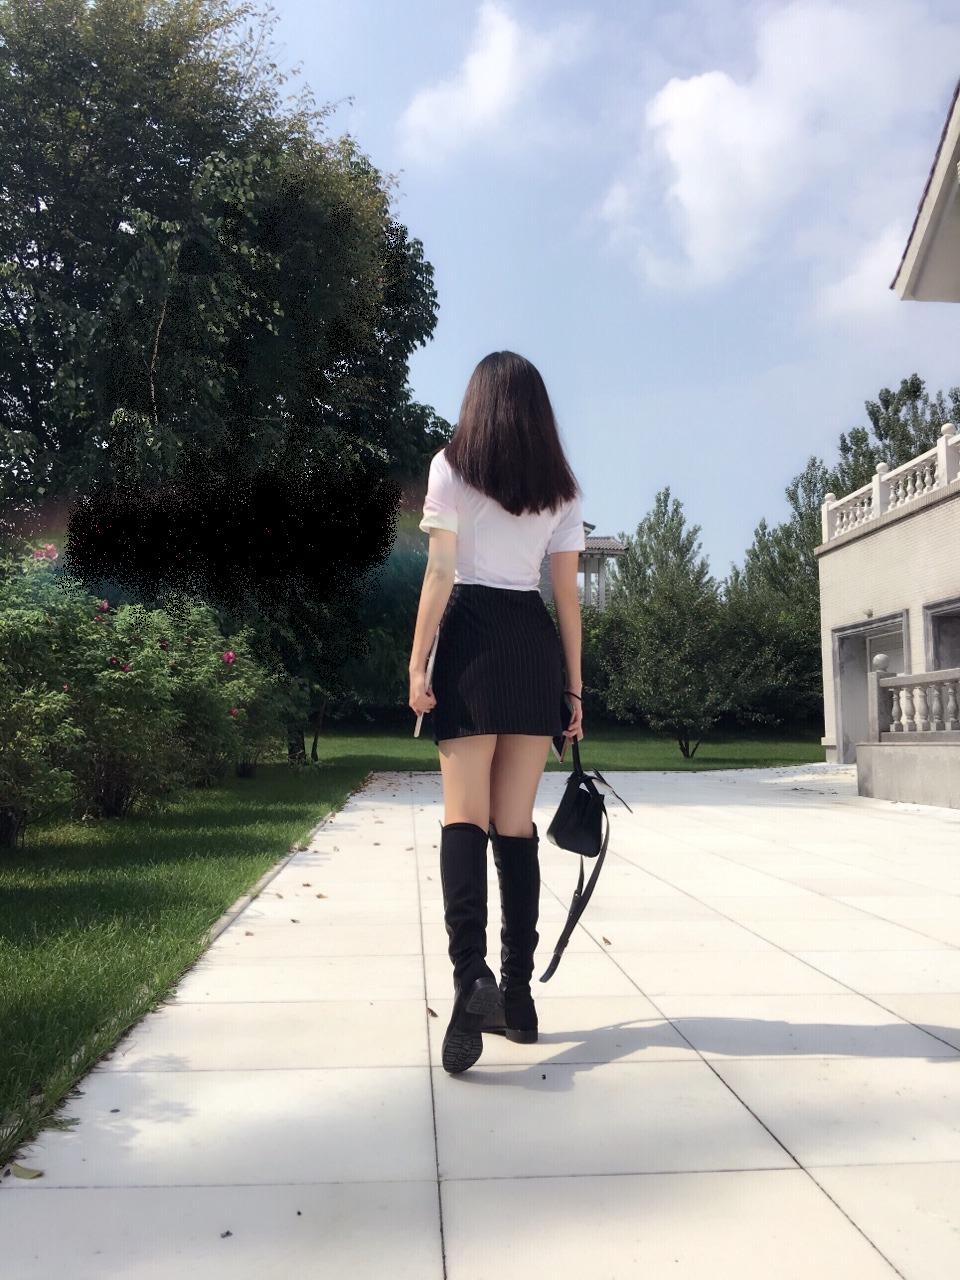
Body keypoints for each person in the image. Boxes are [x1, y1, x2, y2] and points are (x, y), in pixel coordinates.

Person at [407, 350, 585, 1075]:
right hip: (532, 645)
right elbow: (566, 596)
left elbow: (441, 571)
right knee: (514, 827)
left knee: (464, 818)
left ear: (476, 403)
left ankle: (470, 978)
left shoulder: (450, 468)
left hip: (472, 641)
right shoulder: (561, 487)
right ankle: (518, 997)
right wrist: (575, 690)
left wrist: (418, 662)